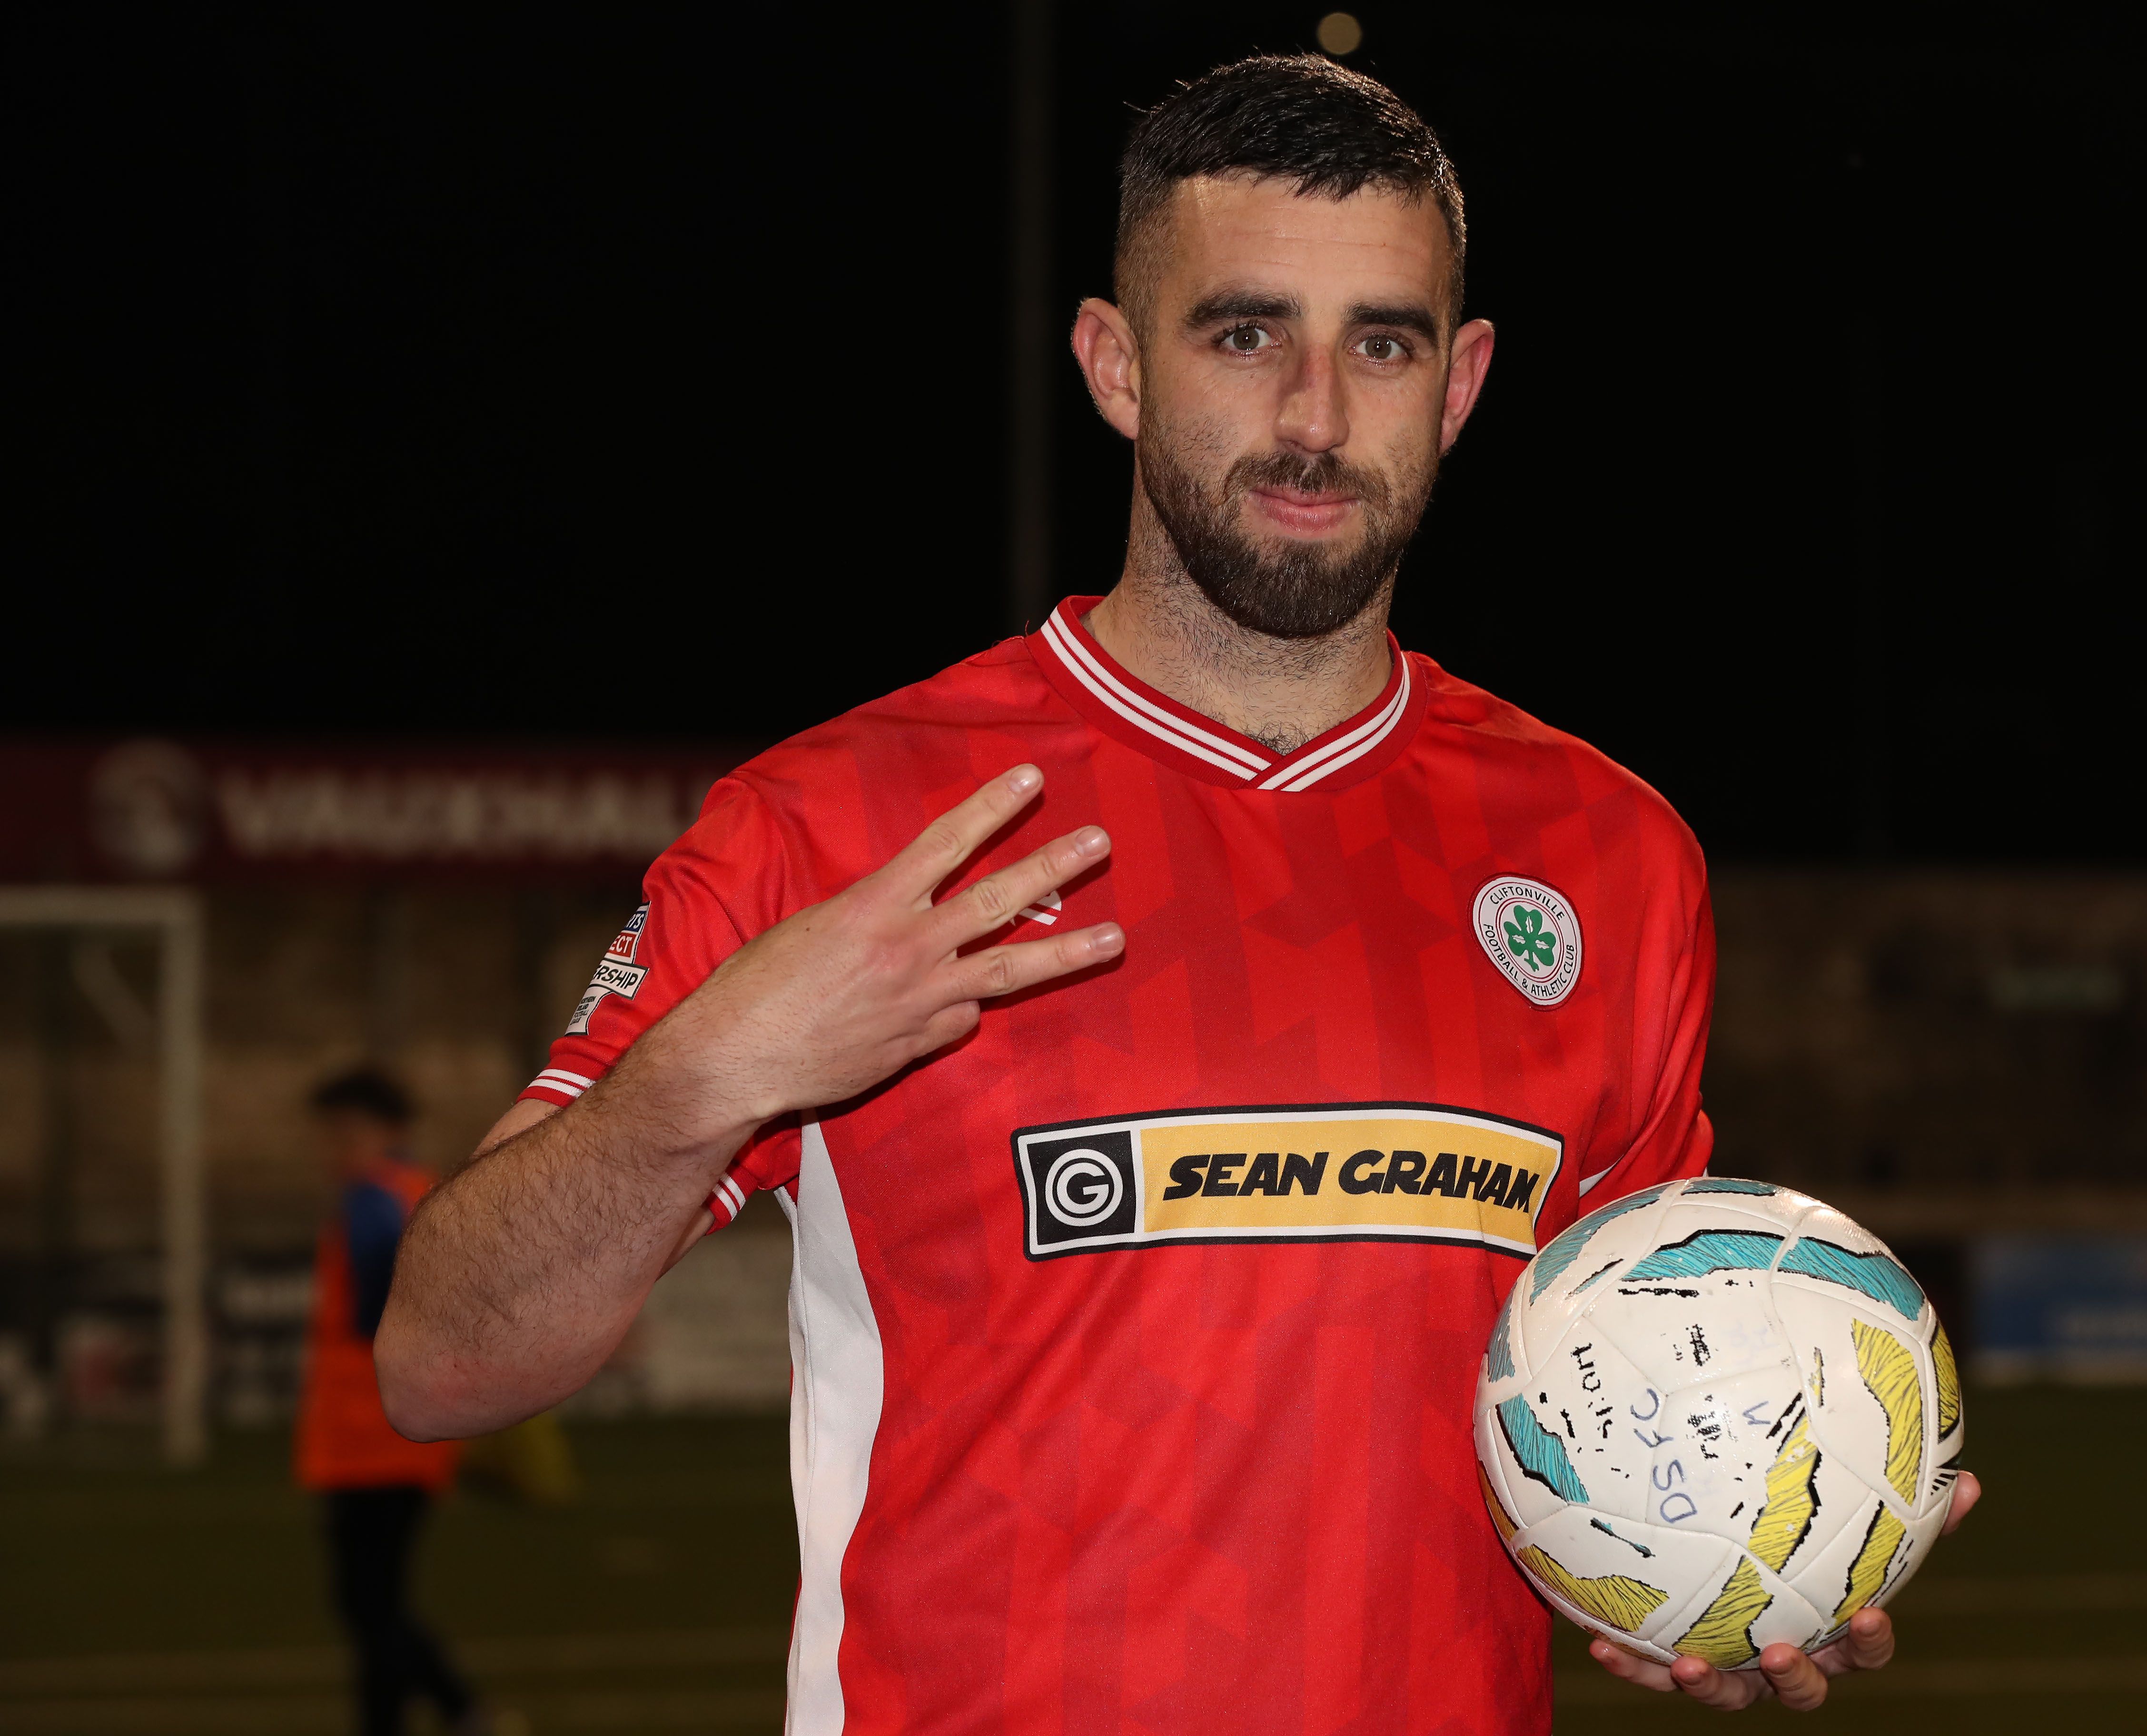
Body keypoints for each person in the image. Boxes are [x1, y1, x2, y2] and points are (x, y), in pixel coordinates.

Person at [378, 55, 1979, 1733]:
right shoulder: (839, 819)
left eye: (1383, 340)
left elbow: (1623, 1370)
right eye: (1241, 332)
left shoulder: (1607, 850)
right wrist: (708, 1071)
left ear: (1463, 382)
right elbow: (441, 1360)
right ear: (1115, 364)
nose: (1313, 412)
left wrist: (1715, 1556)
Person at [297, 1067, 485, 1736]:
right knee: (374, 1602)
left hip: (371, 1435)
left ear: (387, 1130)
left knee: (369, 1604)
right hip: (399, 1429)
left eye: (347, 1131)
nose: (335, 1146)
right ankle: (454, 1708)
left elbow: (381, 1308)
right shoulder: (422, 1192)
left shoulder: (374, 1200)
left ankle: (442, 1710)